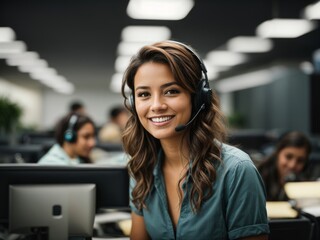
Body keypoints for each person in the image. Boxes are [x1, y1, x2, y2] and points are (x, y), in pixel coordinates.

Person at [121, 40, 269, 240]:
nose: (156, 105)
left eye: (171, 91)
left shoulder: (237, 170)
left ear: (198, 98)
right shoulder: (141, 167)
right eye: (144, 94)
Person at [257, 131, 312, 201]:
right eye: (288, 157)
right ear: (277, 153)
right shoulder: (258, 176)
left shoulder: (306, 184)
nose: (292, 165)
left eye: (300, 161)